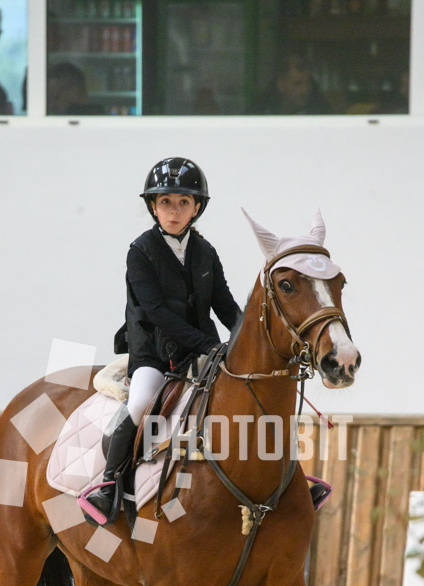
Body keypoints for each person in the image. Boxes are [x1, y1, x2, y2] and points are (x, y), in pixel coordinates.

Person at [83, 157, 242, 525]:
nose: (174, 210)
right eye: (166, 202)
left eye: (184, 202)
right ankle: (109, 483)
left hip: (206, 355)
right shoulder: (140, 251)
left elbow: (225, 305)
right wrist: (207, 345)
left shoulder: (206, 252)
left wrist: (245, 338)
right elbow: (155, 312)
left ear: (196, 208)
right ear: (153, 206)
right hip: (154, 354)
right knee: (141, 403)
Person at [251, 53, 332, 116]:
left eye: (308, 83)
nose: (304, 90)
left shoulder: (320, 111)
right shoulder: (260, 112)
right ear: (280, 85)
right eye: (297, 84)